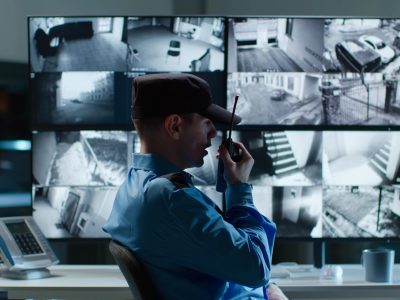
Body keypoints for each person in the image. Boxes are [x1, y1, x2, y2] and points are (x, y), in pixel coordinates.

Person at [103, 73, 287, 300]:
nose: (213, 134)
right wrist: (239, 189)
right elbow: (257, 270)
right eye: (207, 123)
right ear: (175, 126)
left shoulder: (132, 186)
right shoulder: (171, 199)